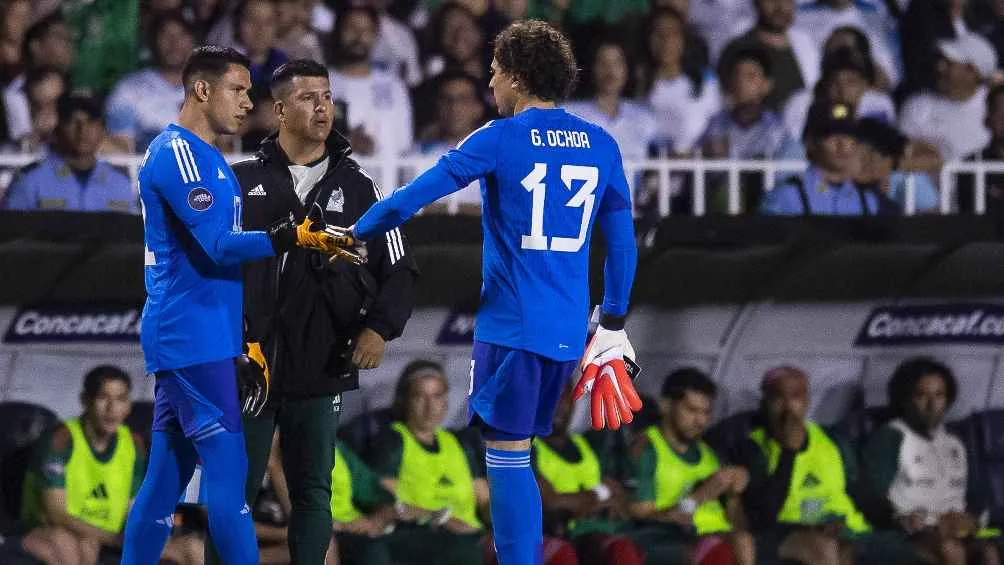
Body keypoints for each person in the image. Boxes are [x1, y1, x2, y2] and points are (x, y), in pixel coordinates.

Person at [344, 20, 641, 565]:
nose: (491, 85)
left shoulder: (500, 138)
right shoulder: (602, 143)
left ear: (518, 76)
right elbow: (622, 245)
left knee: (505, 460)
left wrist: (350, 233)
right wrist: (614, 322)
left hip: (512, 327)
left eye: (496, 73)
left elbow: (408, 200)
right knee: (519, 456)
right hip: (567, 332)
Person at [120, 45, 354, 565]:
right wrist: (293, 235)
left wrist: (239, 338)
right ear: (202, 90)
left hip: (205, 337)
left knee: (164, 483)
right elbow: (219, 246)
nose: (250, 103)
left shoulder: (210, 158)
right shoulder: (176, 153)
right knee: (229, 486)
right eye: (239, 90)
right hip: (188, 336)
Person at [204, 58, 417, 565]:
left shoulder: (362, 187)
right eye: (307, 97)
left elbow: (403, 270)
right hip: (246, 365)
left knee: (313, 492)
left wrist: (379, 329)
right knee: (230, 494)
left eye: (327, 96)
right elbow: (208, 262)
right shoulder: (238, 181)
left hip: (323, 360)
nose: (323, 107)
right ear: (278, 109)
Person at [18, 366, 202, 565]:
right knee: (75, 546)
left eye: (121, 399)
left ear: (128, 406)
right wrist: (114, 539)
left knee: (193, 547)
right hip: (61, 532)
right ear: (85, 400)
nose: (112, 408)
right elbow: (57, 514)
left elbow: (133, 507)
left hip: (112, 537)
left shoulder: (132, 444)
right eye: (103, 398)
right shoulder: (60, 440)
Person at [860, 358, 1002, 565]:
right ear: (905, 399)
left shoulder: (956, 441)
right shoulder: (890, 437)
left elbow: (978, 494)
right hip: (911, 532)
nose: (932, 405)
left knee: (988, 553)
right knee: (949, 551)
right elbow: (871, 495)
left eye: (939, 395)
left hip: (955, 529)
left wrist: (972, 519)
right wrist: (902, 520)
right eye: (921, 396)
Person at [738, 366, 871, 565]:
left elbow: (857, 491)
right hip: (786, 531)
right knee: (824, 549)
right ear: (764, 404)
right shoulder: (753, 447)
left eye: (796, 397)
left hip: (843, 527)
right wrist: (788, 453)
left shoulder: (833, 440)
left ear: (807, 402)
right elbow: (764, 516)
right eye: (778, 398)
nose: (788, 406)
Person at [628, 368, 755, 565]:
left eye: (706, 413)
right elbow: (640, 523)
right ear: (666, 406)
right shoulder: (647, 450)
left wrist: (734, 493)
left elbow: (738, 524)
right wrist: (700, 496)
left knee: (743, 540)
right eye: (691, 410)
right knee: (734, 545)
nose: (701, 421)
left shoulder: (709, 454)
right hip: (679, 541)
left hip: (721, 538)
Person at [369, 361, 490, 565]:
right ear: (404, 401)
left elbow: (485, 500)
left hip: (470, 536)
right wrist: (441, 519)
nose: (429, 406)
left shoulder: (459, 443)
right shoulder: (392, 442)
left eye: (437, 396)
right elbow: (386, 503)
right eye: (419, 396)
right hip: (419, 536)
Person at [534, 384, 644, 565]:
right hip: (558, 537)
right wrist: (599, 495)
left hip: (599, 534)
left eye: (562, 398)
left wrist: (586, 501)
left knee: (625, 548)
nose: (556, 406)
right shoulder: (526, 447)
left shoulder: (587, 445)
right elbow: (551, 503)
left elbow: (621, 499)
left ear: (573, 401)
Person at [2, 92, 135, 212]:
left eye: (91, 121)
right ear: (58, 129)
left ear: (102, 130)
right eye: (72, 121)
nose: (82, 130)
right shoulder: (31, 181)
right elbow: (11, 234)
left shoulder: (120, 184)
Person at [761, 102, 881, 215]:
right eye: (831, 135)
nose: (842, 144)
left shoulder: (866, 200)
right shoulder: (786, 196)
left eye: (848, 135)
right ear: (811, 143)